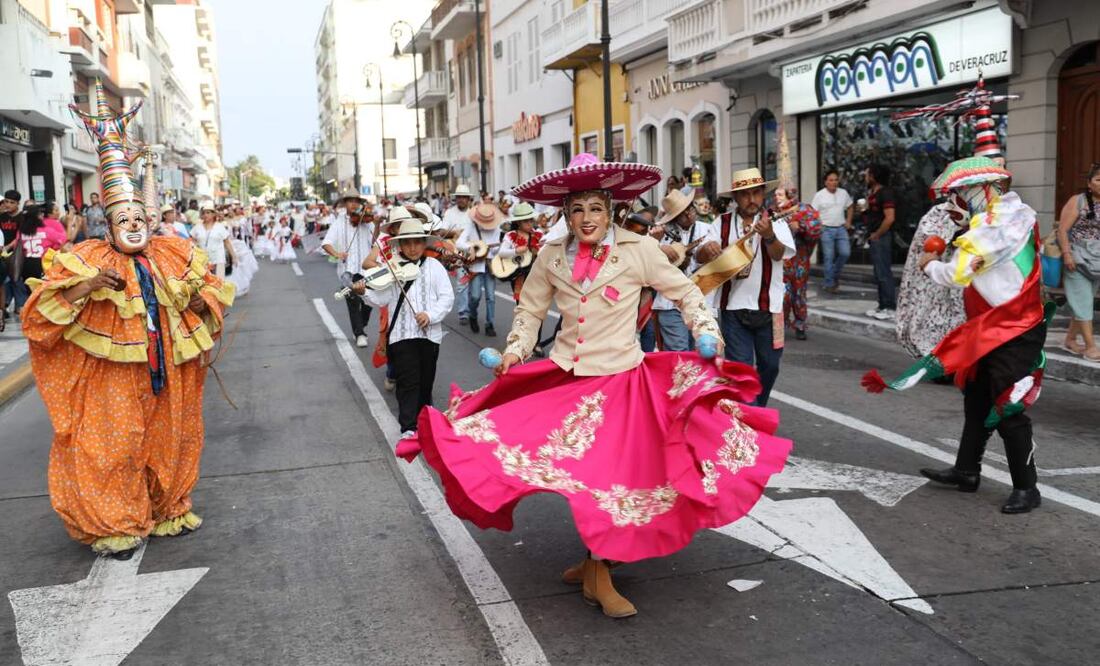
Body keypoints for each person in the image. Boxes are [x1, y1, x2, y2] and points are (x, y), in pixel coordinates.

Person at [395, 154, 792, 618]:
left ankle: (597, 567)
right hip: (568, 380)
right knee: (570, 473)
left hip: (624, 381)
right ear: (565, 213)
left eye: (596, 208)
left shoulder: (638, 249)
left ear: (611, 209)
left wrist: (705, 330)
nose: (587, 219)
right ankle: (594, 565)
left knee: (612, 479)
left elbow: (684, 290)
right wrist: (515, 352)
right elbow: (530, 311)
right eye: (577, 209)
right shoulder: (549, 255)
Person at [22, 81, 234, 558]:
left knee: (173, 438)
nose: (135, 226)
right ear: (110, 224)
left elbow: (210, 295)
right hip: (113, 376)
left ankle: (167, 509)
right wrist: (90, 285)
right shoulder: (85, 257)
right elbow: (40, 318)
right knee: (111, 446)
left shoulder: (173, 252)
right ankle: (115, 521)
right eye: (125, 220)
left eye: (140, 218)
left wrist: (201, 304)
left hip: (168, 371)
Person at [863, 155, 1047, 514]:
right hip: (986, 325)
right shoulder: (1003, 218)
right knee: (976, 398)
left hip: (1013, 328)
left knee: (1008, 406)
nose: (955, 202)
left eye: (962, 193)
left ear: (986, 189)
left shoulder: (999, 227)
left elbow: (958, 274)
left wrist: (929, 263)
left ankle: (1027, 488)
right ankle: (966, 471)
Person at [695, 168, 795, 407]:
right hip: (733, 308)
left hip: (770, 307)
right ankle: (749, 417)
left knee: (770, 366)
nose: (751, 199)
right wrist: (706, 251)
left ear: (763, 195)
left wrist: (770, 235)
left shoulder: (775, 220)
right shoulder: (722, 222)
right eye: (745, 194)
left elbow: (780, 255)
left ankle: (756, 408)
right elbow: (700, 256)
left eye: (756, 193)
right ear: (735, 198)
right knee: (740, 370)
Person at [364, 218, 454, 438]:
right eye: (407, 243)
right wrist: (363, 290)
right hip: (401, 334)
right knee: (407, 381)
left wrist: (430, 315)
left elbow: (446, 297)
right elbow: (380, 297)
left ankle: (425, 420)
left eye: (417, 242)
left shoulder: (434, 266)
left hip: (429, 335)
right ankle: (408, 427)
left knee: (425, 380)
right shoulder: (391, 268)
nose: (413, 248)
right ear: (399, 246)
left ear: (424, 243)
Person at [895, 202, 967, 360]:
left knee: (958, 318)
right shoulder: (939, 212)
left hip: (959, 280)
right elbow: (928, 239)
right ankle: (937, 358)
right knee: (931, 317)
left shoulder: (984, 215)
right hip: (934, 281)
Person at [651, 190, 715, 351]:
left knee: (704, 354)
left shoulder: (708, 229)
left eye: (690, 208)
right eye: (682, 213)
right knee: (679, 354)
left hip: (701, 302)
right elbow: (647, 264)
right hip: (670, 304)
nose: (688, 214)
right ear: (673, 217)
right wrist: (656, 246)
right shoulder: (660, 234)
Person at [1056, 162, 1100, 360]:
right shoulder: (1078, 201)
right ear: (1089, 183)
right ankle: (1091, 347)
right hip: (1076, 257)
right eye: (1098, 180)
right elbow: (1062, 230)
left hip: (1097, 260)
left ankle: (1070, 340)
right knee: (1083, 302)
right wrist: (1067, 254)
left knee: (1083, 301)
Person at [322, 191, 376, 348]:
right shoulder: (339, 222)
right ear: (345, 203)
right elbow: (326, 243)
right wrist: (337, 254)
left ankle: (360, 326)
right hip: (349, 270)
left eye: (356, 201)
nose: (353, 204)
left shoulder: (366, 220)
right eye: (350, 201)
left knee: (369, 302)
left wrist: (377, 223)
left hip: (367, 268)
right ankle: (359, 333)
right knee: (353, 301)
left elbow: (375, 241)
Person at [776, 186, 822, 341]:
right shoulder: (773, 211)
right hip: (780, 261)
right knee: (783, 294)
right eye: (776, 194)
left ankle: (800, 325)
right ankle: (779, 325)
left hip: (799, 261)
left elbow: (816, 228)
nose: (777, 197)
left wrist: (800, 226)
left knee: (799, 294)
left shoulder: (804, 209)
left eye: (780, 194)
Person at [457, 202, 504, 336]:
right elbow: (459, 243)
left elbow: (498, 249)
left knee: (491, 297)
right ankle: (473, 314)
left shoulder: (496, 228)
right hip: (476, 265)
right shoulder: (471, 227)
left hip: (490, 265)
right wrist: (470, 247)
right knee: (475, 296)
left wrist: (493, 250)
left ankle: (490, 324)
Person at [862, 164, 897, 320]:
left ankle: (889, 306)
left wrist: (877, 233)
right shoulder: (873, 192)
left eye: (868, 174)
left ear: (874, 176)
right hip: (874, 235)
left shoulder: (886, 193)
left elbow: (890, 217)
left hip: (882, 236)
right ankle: (882, 305)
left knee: (884, 272)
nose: (865, 177)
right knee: (878, 272)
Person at [811, 170, 854, 293]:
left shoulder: (843, 193)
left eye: (836, 180)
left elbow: (850, 206)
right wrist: (820, 225)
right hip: (826, 229)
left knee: (845, 253)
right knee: (828, 257)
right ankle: (829, 284)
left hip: (841, 228)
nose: (834, 182)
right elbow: (813, 213)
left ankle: (833, 275)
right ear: (825, 182)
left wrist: (848, 221)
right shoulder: (819, 195)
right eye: (831, 180)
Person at [442, 184, 474, 323]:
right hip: (456, 252)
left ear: (468, 199)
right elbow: (441, 232)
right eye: (459, 197)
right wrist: (455, 232)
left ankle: (472, 310)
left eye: (464, 197)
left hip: (473, 251)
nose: (461, 199)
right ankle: (463, 312)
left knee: (474, 284)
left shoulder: (474, 213)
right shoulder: (449, 212)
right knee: (462, 283)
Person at [191, 202, 237, 279]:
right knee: (205, 284)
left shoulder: (220, 227)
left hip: (218, 258)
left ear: (213, 215)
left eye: (208, 213)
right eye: (204, 213)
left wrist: (234, 256)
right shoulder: (197, 227)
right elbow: (192, 241)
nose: (205, 215)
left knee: (219, 282)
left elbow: (227, 243)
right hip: (202, 259)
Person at [1, 189, 22, 327]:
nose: (8, 204)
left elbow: (19, 236)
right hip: (2, 253)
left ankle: (20, 307)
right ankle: (4, 308)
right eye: (6, 201)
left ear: (17, 204)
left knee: (16, 280)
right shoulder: (1, 216)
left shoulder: (21, 218)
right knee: (4, 281)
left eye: (12, 202)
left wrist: (8, 247)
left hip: (17, 253)